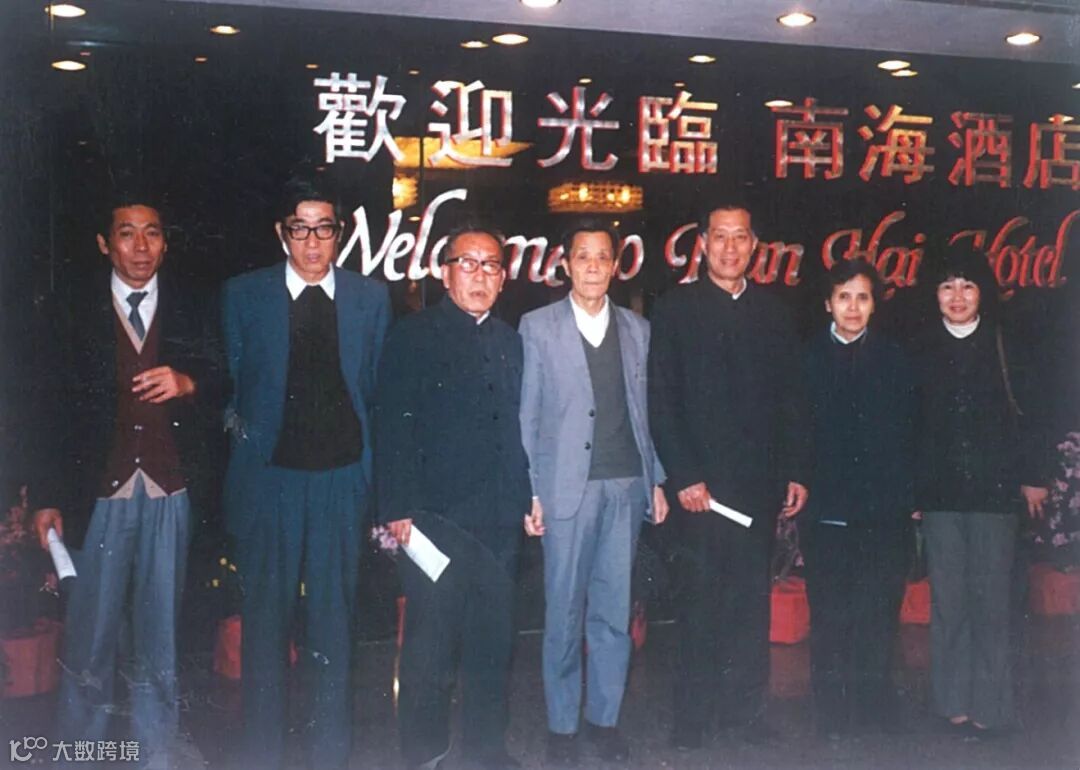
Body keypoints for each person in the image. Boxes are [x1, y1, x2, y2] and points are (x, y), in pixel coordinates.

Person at [31, 195, 226, 768]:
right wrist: (46, 495)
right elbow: (44, 407)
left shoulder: (194, 307)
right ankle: (79, 751)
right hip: (99, 493)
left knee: (161, 634)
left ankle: (155, 751)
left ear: (166, 242)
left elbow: (229, 377)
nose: (141, 247)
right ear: (104, 243)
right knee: (89, 635)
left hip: (171, 490)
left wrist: (189, 382)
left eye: (152, 233)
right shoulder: (70, 312)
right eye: (126, 233)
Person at [221, 176, 390, 770]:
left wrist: (374, 486)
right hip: (271, 484)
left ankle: (329, 755)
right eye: (300, 228)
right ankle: (262, 755)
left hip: (341, 483)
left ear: (339, 234)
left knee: (333, 627)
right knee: (264, 626)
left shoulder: (370, 299)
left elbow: (376, 394)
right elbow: (230, 390)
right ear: (281, 232)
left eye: (324, 228)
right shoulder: (244, 295)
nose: (312, 242)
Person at [647, 202, 809, 749]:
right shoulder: (674, 308)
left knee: (748, 602)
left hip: (756, 486)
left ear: (755, 245)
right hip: (699, 492)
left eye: (741, 237)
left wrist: (794, 470)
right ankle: (692, 717)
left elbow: (791, 400)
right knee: (697, 602)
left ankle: (745, 713)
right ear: (703, 243)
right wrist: (684, 475)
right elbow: (661, 398)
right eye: (720, 236)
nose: (730, 247)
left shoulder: (775, 313)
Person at [374, 224, 531, 770]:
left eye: (491, 265)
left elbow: (519, 431)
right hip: (434, 520)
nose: (479, 275)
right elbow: (392, 424)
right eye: (468, 263)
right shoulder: (412, 336)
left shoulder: (511, 341)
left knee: (492, 645)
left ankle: (487, 751)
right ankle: (425, 755)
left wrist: (528, 499)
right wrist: (396, 509)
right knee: (431, 648)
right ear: (445, 274)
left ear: (503, 278)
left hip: (500, 519)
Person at [519, 220, 668, 765]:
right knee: (563, 612)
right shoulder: (537, 327)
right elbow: (528, 415)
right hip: (566, 490)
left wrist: (655, 479)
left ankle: (604, 720)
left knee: (612, 612)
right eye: (582, 256)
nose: (592, 266)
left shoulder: (637, 329)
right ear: (565, 264)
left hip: (625, 485)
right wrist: (531, 491)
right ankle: (561, 726)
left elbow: (644, 412)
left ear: (615, 265)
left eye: (602, 257)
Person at [913, 249, 1049, 736]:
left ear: (982, 293)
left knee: (992, 603)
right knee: (949, 603)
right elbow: (908, 425)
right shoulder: (920, 347)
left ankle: (991, 705)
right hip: (940, 496)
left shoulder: (1006, 343)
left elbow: (1035, 412)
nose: (957, 296)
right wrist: (912, 492)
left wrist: (1035, 476)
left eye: (967, 286)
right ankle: (952, 702)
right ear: (934, 294)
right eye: (947, 286)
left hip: (995, 495)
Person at [800, 260, 916, 738]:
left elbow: (911, 432)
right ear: (827, 303)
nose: (852, 307)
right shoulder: (805, 358)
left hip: (883, 511)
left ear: (874, 305)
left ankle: (873, 705)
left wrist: (908, 496)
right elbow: (794, 431)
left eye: (862, 297)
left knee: (878, 610)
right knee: (830, 612)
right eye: (843, 297)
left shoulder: (896, 358)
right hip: (825, 509)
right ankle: (831, 711)